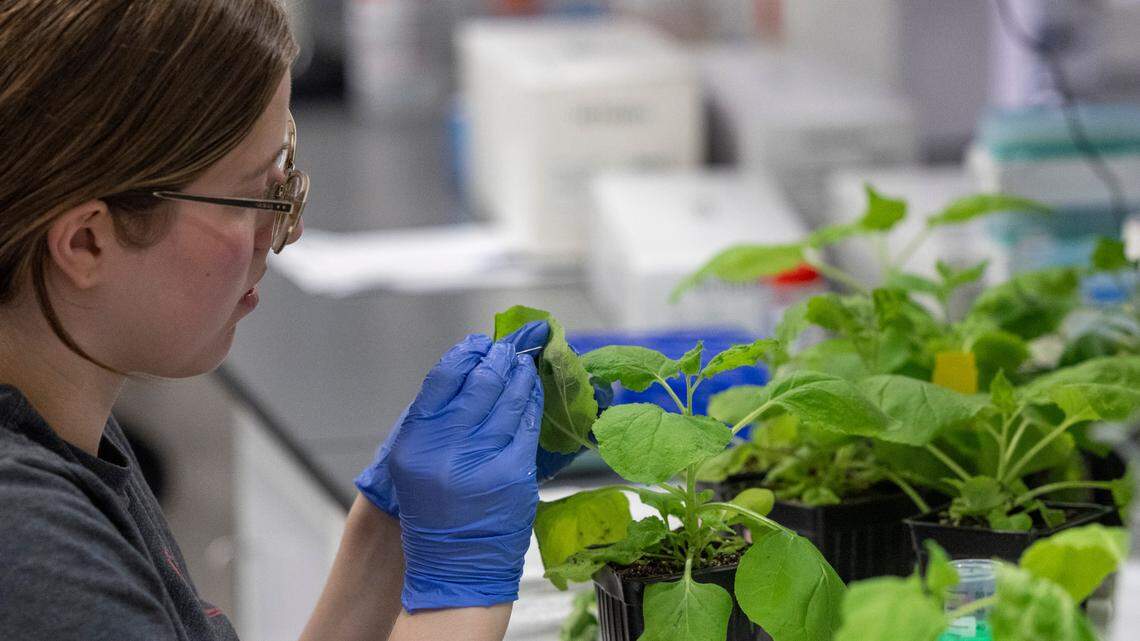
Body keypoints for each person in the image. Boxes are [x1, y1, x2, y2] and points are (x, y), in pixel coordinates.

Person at [0, 2, 578, 639]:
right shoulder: (32, 552)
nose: (287, 230)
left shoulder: (60, 409)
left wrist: (386, 536)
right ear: (86, 243)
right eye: (254, 195)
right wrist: (457, 595)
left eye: (286, 179)